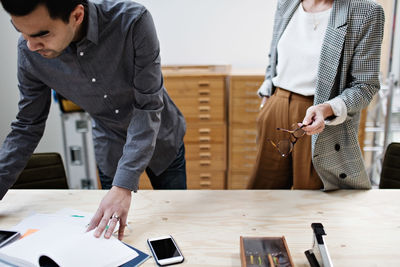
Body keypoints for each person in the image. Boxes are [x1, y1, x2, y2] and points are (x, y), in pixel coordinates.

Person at [0, 0, 187, 240]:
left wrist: (123, 186)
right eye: (21, 32)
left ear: (77, 15)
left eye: (42, 34)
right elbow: (27, 126)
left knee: (176, 224)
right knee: (115, 236)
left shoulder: (133, 21)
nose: (31, 45)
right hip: (110, 146)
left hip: (162, 138)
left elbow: (148, 106)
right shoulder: (29, 51)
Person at [248, 0, 384, 190]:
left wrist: (327, 109)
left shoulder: (366, 11)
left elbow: (365, 85)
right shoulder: (286, 3)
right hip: (276, 107)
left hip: (320, 120)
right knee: (263, 199)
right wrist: (267, 97)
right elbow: (275, 56)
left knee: (313, 205)